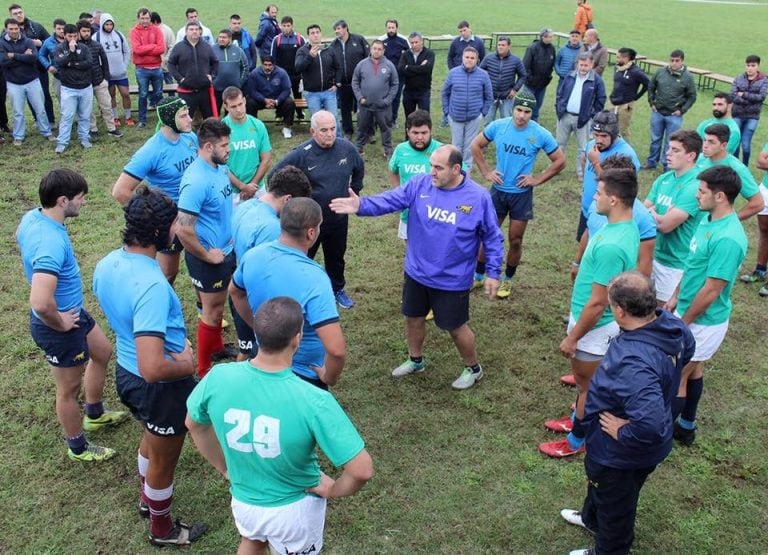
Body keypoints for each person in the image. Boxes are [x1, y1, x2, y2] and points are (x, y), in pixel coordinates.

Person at [185, 296, 373, 554]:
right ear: (297, 338)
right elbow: (362, 470)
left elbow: (194, 425)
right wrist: (334, 490)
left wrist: (224, 468)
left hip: (244, 502)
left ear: (257, 333)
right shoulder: (314, 400)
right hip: (293, 512)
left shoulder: (218, 377)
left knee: (252, 541)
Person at [330, 145, 503, 389]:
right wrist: (361, 206)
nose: (431, 172)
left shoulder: (478, 197)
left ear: (456, 169)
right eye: (431, 165)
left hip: (451, 279)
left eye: (438, 168)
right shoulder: (420, 184)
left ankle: (473, 368)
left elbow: (492, 237)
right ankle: (415, 360)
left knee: (455, 327)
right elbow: (391, 200)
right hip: (417, 272)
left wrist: (493, 272)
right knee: (412, 318)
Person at [93, 185, 207, 547]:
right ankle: (163, 529)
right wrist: (187, 363)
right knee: (164, 462)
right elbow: (153, 366)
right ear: (160, 232)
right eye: (174, 224)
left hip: (127, 375)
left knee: (151, 439)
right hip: (159, 385)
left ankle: (148, 499)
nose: (178, 230)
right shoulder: (152, 286)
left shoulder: (108, 262)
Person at [561, 272, 694, 555]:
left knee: (617, 506)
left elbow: (651, 426)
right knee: (602, 489)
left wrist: (623, 430)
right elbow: (689, 348)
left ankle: (609, 549)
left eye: (610, 305)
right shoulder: (668, 322)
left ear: (620, 311)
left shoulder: (634, 363)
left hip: (620, 454)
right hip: (618, 451)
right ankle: (591, 519)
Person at [16, 168, 127, 462]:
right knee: (68, 389)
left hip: (73, 313)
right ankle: (77, 447)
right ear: (63, 201)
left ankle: (94, 414)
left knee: (102, 352)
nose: (84, 203)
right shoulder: (51, 244)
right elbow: (40, 302)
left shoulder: (32, 217)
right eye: (81, 198)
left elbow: (20, 239)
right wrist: (60, 322)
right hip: (58, 325)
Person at [539, 168, 640, 458]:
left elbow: (598, 303)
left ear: (614, 200)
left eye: (598, 193)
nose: (593, 197)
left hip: (594, 327)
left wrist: (573, 338)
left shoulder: (611, 245)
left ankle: (576, 440)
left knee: (587, 388)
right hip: (595, 321)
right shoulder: (624, 226)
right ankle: (577, 422)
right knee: (589, 385)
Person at [667, 166, 748, 446]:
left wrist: (684, 321)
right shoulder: (707, 219)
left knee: (678, 375)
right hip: (688, 311)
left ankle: (660, 437)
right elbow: (693, 265)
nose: (696, 195)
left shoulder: (728, 238)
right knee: (695, 369)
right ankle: (687, 426)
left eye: (702, 191)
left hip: (703, 320)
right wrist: (676, 295)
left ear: (721, 196)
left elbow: (712, 290)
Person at [230, 198, 346, 387]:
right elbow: (336, 350)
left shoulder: (253, 256)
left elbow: (235, 292)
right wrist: (328, 377)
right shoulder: (315, 277)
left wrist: (259, 327)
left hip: (262, 358)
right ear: (311, 232)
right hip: (302, 374)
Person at [471, 91, 565, 298]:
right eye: (519, 110)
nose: (522, 115)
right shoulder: (498, 126)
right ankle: (478, 276)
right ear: (513, 108)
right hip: (498, 192)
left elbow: (560, 161)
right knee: (488, 234)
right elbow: (475, 145)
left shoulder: (540, 134)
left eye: (527, 112)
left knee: (515, 240)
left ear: (533, 113)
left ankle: (508, 280)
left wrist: (537, 179)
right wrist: (486, 172)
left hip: (521, 195)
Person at [270, 110, 364, 309]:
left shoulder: (347, 149)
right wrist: (292, 203)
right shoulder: (301, 154)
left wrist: (354, 190)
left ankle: (336, 289)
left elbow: (359, 168)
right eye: (323, 130)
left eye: (332, 129)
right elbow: (274, 176)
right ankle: (297, 292)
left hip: (338, 218)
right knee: (302, 257)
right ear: (313, 131)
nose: (329, 134)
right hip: (309, 221)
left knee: (336, 257)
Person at [112, 97, 198, 283]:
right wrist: (156, 217)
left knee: (201, 268)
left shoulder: (191, 138)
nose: (190, 119)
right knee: (167, 274)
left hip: (195, 214)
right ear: (168, 119)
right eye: (183, 116)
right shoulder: (151, 150)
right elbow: (120, 191)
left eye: (188, 114)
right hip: (170, 221)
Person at [229, 168, 312, 360]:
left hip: (241, 287)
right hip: (260, 304)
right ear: (288, 200)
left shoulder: (244, 207)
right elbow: (273, 278)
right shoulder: (272, 229)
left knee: (246, 350)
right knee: (263, 357)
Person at [176, 118, 235, 377]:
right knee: (211, 313)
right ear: (208, 147)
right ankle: (202, 369)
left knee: (219, 308)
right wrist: (207, 256)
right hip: (208, 259)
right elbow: (183, 229)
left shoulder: (219, 167)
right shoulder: (196, 180)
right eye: (224, 145)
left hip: (226, 251)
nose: (228, 149)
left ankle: (218, 348)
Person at [644, 130, 702, 305]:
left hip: (676, 264)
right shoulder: (664, 179)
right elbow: (641, 212)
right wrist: (659, 215)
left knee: (660, 313)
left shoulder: (695, 186)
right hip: (654, 255)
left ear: (691, 155)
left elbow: (665, 226)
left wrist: (654, 213)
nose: (668, 153)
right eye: (669, 148)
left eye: (675, 150)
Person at [577, 111, 641, 240]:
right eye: (596, 135)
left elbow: (615, 187)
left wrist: (595, 162)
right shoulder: (592, 145)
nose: (599, 140)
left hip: (607, 215)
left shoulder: (626, 155)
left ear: (614, 134)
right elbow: (585, 161)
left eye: (604, 136)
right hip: (588, 208)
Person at [388, 109, 442, 240]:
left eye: (424, 133)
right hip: (409, 213)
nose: (419, 137)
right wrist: (397, 191)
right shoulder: (401, 150)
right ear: (407, 132)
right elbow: (392, 169)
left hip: (435, 214)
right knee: (411, 248)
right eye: (415, 133)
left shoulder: (442, 150)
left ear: (431, 131)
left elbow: (462, 173)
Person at [0, 17, 54, 145]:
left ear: (20, 28)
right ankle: (18, 136)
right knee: (18, 112)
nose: (14, 31)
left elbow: (33, 58)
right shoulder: (1, 43)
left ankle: (46, 132)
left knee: (40, 108)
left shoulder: (28, 41)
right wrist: (24, 55)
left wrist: (13, 55)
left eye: (16, 28)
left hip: (32, 81)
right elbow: (3, 61)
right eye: (11, 29)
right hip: (13, 83)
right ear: (6, 29)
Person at [696, 123, 764, 220]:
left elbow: (758, 203)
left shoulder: (736, 168)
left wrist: (729, 221)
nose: (705, 145)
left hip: (712, 225)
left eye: (711, 142)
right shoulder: (699, 159)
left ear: (723, 145)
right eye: (705, 140)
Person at [555, 53, 606, 181]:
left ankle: (580, 172)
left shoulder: (597, 80)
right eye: (581, 65)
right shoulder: (570, 76)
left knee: (583, 148)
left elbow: (601, 99)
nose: (583, 68)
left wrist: (591, 115)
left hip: (583, 120)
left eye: (586, 65)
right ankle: (556, 167)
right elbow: (560, 93)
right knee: (559, 144)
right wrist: (559, 108)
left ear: (592, 65)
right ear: (577, 64)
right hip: (565, 116)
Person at [644, 49, 697, 171]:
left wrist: (682, 110)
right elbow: (651, 87)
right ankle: (652, 162)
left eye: (677, 61)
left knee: (671, 142)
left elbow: (692, 96)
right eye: (672, 60)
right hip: (658, 112)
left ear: (682, 61)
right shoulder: (660, 72)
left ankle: (667, 166)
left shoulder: (688, 77)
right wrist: (652, 102)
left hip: (674, 115)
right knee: (655, 139)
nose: (674, 63)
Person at [441, 47, 492, 169]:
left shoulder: (483, 75)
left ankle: (466, 170)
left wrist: (482, 114)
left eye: (472, 58)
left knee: (469, 146)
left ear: (477, 60)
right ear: (462, 58)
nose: (469, 60)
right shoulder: (453, 73)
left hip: (474, 117)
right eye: (467, 57)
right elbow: (445, 93)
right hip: (455, 116)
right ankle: (455, 168)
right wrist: (447, 111)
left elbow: (489, 96)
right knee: (457, 145)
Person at [221, 86, 272, 202]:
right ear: (226, 106)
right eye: (233, 106)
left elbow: (266, 159)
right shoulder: (221, 129)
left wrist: (252, 186)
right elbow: (220, 166)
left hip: (257, 188)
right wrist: (242, 187)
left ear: (244, 101)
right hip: (232, 192)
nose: (238, 109)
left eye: (240, 104)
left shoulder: (258, 125)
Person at [8, 4, 55, 127]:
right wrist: (22, 53)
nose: (18, 15)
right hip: (22, 69)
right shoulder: (8, 31)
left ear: (23, 12)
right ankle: (37, 119)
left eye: (20, 12)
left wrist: (41, 42)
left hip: (39, 67)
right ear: (11, 16)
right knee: (30, 96)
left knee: (44, 93)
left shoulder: (36, 26)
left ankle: (50, 120)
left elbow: (51, 41)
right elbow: (7, 51)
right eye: (15, 14)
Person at [352, 39, 398, 158]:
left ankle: (388, 150)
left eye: (379, 49)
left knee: (386, 128)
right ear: (370, 49)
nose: (376, 51)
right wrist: (360, 98)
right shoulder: (361, 64)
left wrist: (387, 100)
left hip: (383, 106)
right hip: (365, 104)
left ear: (383, 51)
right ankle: (359, 148)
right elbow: (355, 82)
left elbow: (395, 84)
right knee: (361, 127)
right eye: (374, 48)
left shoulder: (389, 65)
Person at [77, 19, 122, 138]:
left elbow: (105, 62)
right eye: (84, 31)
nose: (86, 33)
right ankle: (93, 129)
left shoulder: (97, 45)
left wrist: (105, 79)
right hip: (84, 83)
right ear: (79, 32)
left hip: (99, 81)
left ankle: (112, 128)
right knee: (88, 109)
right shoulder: (76, 46)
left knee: (107, 106)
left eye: (88, 31)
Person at [53, 23, 93, 154]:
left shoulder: (84, 48)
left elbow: (88, 64)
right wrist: (70, 52)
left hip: (85, 87)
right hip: (69, 88)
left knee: (85, 115)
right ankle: (62, 142)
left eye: (75, 36)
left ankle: (84, 138)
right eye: (70, 36)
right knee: (67, 116)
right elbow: (60, 63)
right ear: (64, 36)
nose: (73, 39)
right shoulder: (59, 48)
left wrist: (72, 64)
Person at [168, 21, 218, 120]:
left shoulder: (207, 47)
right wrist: (180, 79)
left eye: (196, 29)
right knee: (185, 119)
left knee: (210, 120)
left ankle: (208, 135)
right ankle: (187, 135)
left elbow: (215, 62)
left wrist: (212, 75)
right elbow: (171, 64)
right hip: (186, 92)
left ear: (200, 31)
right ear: (186, 31)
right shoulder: (179, 47)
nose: (194, 32)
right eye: (191, 29)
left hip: (204, 91)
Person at [331, 20, 369, 140]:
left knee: (364, 107)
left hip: (360, 83)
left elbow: (369, 58)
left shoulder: (359, 40)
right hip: (343, 84)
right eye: (335, 29)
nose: (336, 31)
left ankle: (367, 131)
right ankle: (348, 131)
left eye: (338, 28)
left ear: (346, 28)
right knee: (345, 109)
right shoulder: (333, 45)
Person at [94, 14, 133, 127]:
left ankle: (128, 116)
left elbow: (127, 51)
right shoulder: (96, 37)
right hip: (107, 74)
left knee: (125, 94)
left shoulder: (119, 35)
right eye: (107, 24)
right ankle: (115, 117)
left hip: (121, 73)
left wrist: (124, 65)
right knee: (111, 95)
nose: (109, 26)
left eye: (111, 24)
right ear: (102, 24)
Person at [294, 24, 341, 118]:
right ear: (308, 36)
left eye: (317, 32)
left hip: (329, 92)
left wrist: (337, 84)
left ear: (321, 34)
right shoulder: (302, 51)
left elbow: (338, 67)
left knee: (334, 118)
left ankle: (336, 134)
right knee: (317, 120)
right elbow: (298, 68)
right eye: (312, 33)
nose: (315, 35)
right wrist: (310, 57)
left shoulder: (329, 50)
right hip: (312, 93)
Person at [129, 7, 165, 128]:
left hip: (156, 68)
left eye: (147, 18)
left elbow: (161, 48)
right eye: (142, 18)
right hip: (142, 69)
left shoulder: (157, 30)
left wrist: (146, 49)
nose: (145, 20)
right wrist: (152, 47)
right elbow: (137, 50)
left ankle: (163, 118)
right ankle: (142, 120)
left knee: (159, 94)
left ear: (150, 18)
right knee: (143, 94)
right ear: (138, 18)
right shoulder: (134, 31)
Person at [730, 55, 768, 165]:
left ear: (758, 66)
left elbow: (761, 97)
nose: (750, 68)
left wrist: (743, 94)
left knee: (745, 144)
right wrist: (750, 99)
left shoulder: (764, 80)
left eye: (753, 65)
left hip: (752, 117)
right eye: (748, 65)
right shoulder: (738, 78)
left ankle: (745, 166)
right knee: (736, 141)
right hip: (737, 114)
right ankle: (735, 164)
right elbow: (733, 95)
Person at [244, 55, 294, 139]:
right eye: (265, 64)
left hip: (277, 99)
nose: (267, 67)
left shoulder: (282, 73)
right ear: (262, 64)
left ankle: (287, 127)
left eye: (270, 65)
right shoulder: (254, 73)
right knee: (249, 102)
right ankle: (253, 127)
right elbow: (252, 91)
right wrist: (264, 100)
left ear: (274, 65)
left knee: (290, 102)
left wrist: (277, 101)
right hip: (261, 100)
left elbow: (286, 89)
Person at [480, 36, 526, 123]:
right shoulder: (488, 58)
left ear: (509, 46)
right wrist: (483, 88)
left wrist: (515, 89)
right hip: (490, 96)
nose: (500, 47)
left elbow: (523, 75)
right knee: (488, 122)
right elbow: (479, 73)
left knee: (507, 122)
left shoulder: (516, 60)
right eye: (499, 45)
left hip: (507, 96)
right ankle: (489, 137)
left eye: (503, 45)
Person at [608, 47, 649, 142]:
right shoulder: (617, 68)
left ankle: (626, 153)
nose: (617, 59)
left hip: (625, 105)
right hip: (613, 103)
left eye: (619, 57)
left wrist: (636, 97)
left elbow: (648, 84)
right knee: (609, 128)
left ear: (626, 58)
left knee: (623, 130)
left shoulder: (636, 72)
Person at [269, 16, 304, 119]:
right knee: (280, 95)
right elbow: (272, 58)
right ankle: (279, 115)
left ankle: (300, 115)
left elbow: (304, 56)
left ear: (292, 26)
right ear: (280, 26)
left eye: (288, 26)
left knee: (298, 95)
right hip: (281, 75)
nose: (286, 28)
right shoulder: (277, 39)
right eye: (284, 26)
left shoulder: (299, 39)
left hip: (296, 74)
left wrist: (302, 74)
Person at [398, 32, 434, 118]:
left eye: (416, 42)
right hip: (409, 91)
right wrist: (420, 67)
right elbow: (401, 70)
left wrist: (409, 67)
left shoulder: (429, 53)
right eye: (412, 43)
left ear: (422, 41)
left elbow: (427, 69)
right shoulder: (406, 54)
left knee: (424, 117)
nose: (414, 45)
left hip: (423, 91)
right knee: (409, 117)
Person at [522, 28, 556, 121]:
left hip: (543, 84)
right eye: (549, 37)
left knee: (537, 108)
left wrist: (548, 77)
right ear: (543, 37)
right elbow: (525, 65)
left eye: (552, 37)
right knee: (526, 106)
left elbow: (552, 63)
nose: (551, 39)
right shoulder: (532, 48)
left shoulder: (552, 48)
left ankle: (534, 126)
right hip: (530, 84)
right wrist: (530, 78)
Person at [380, 19, 408, 126]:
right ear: (386, 28)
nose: (391, 30)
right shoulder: (382, 40)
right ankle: (382, 119)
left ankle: (393, 119)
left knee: (396, 98)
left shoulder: (403, 41)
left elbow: (408, 56)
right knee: (384, 97)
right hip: (384, 76)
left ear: (397, 28)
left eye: (393, 27)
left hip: (399, 76)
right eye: (389, 27)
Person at [211, 29, 248, 112]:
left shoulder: (238, 50)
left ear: (230, 39)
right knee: (215, 111)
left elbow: (245, 67)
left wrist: (240, 82)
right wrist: (213, 81)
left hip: (233, 88)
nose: (221, 39)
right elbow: (207, 67)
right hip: (217, 88)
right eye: (220, 37)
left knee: (232, 111)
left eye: (224, 37)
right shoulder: (212, 50)